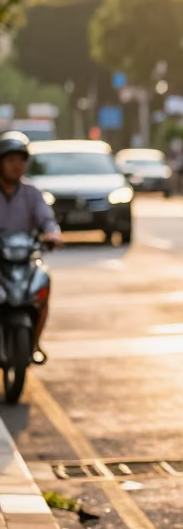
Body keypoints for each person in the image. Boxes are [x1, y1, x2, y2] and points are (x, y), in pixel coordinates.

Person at [0, 132, 62, 362]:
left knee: (43, 280)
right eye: (10, 160)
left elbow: (46, 219)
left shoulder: (32, 193)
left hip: (23, 262)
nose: (16, 165)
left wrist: (53, 234)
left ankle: (35, 340)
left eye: (20, 160)